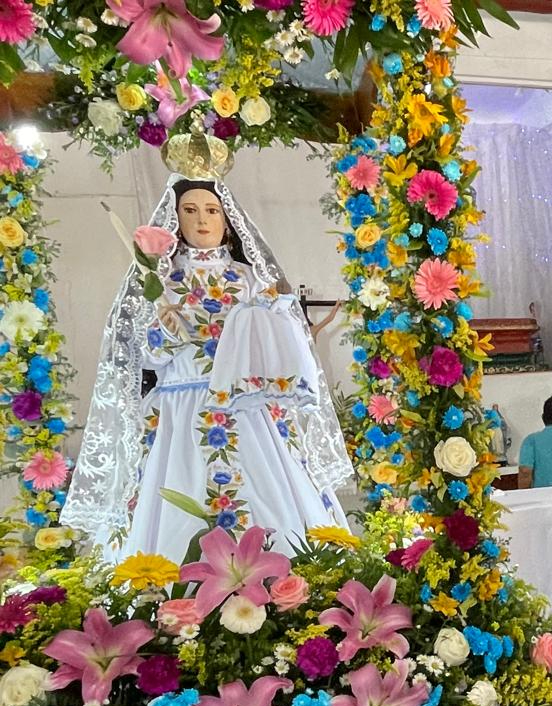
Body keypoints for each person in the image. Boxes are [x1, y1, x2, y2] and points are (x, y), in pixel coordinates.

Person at [64, 172, 352, 561]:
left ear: (227, 220)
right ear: (176, 218)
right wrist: (165, 334)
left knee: (271, 497)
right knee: (174, 499)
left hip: (246, 409)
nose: (202, 220)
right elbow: (140, 357)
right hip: (178, 413)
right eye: (191, 210)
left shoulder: (249, 279)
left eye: (212, 210)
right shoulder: (159, 279)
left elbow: (273, 343)